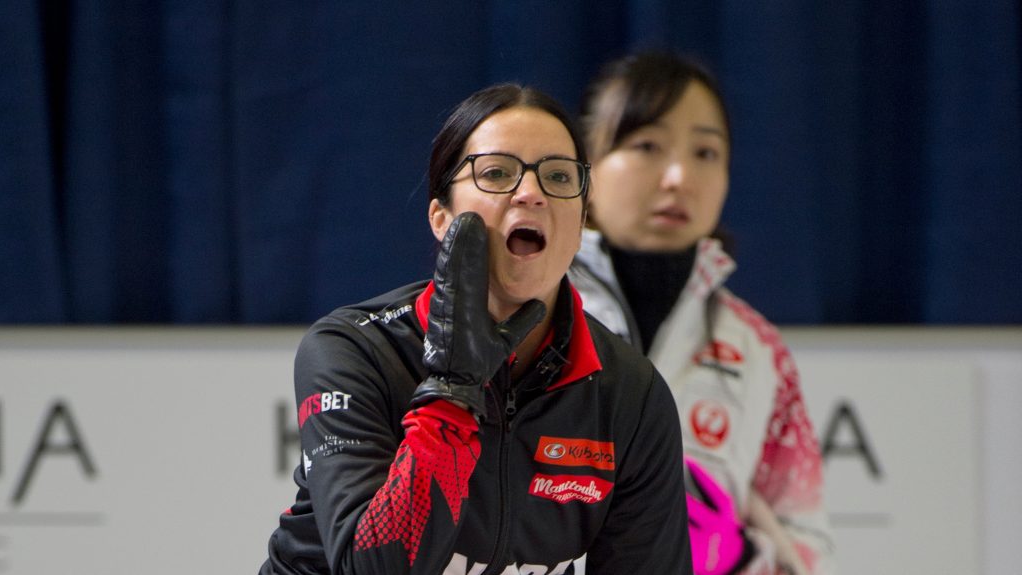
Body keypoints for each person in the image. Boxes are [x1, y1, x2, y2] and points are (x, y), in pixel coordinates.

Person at [260, 83, 693, 574]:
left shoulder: (630, 393)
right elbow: (375, 567)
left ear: (580, 226)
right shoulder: (355, 350)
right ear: (441, 217)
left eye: (556, 176)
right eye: (496, 173)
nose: (529, 193)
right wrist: (452, 389)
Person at [569, 51, 837, 575]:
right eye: (647, 145)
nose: (678, 177)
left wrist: (736, 557)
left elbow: (808, 549)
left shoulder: (756, 346)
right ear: (584, 166)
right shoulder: (523, 317)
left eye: (706, 152)